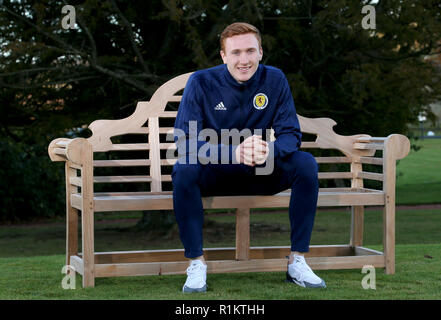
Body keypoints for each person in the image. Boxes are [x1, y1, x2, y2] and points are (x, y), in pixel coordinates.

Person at [172, 22, 326, 292]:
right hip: (216, 175)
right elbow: (186, 141)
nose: (244, 60)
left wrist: (268, 150)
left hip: (260, 172)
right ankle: (196, 264)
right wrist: (233, 152)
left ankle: (297, 261)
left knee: (305, 164)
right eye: (236, 53)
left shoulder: (275, 79)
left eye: (250, 51)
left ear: (260, 52)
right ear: (223, 56)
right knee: (183, 169)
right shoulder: (200, 82)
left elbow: (290, 133)